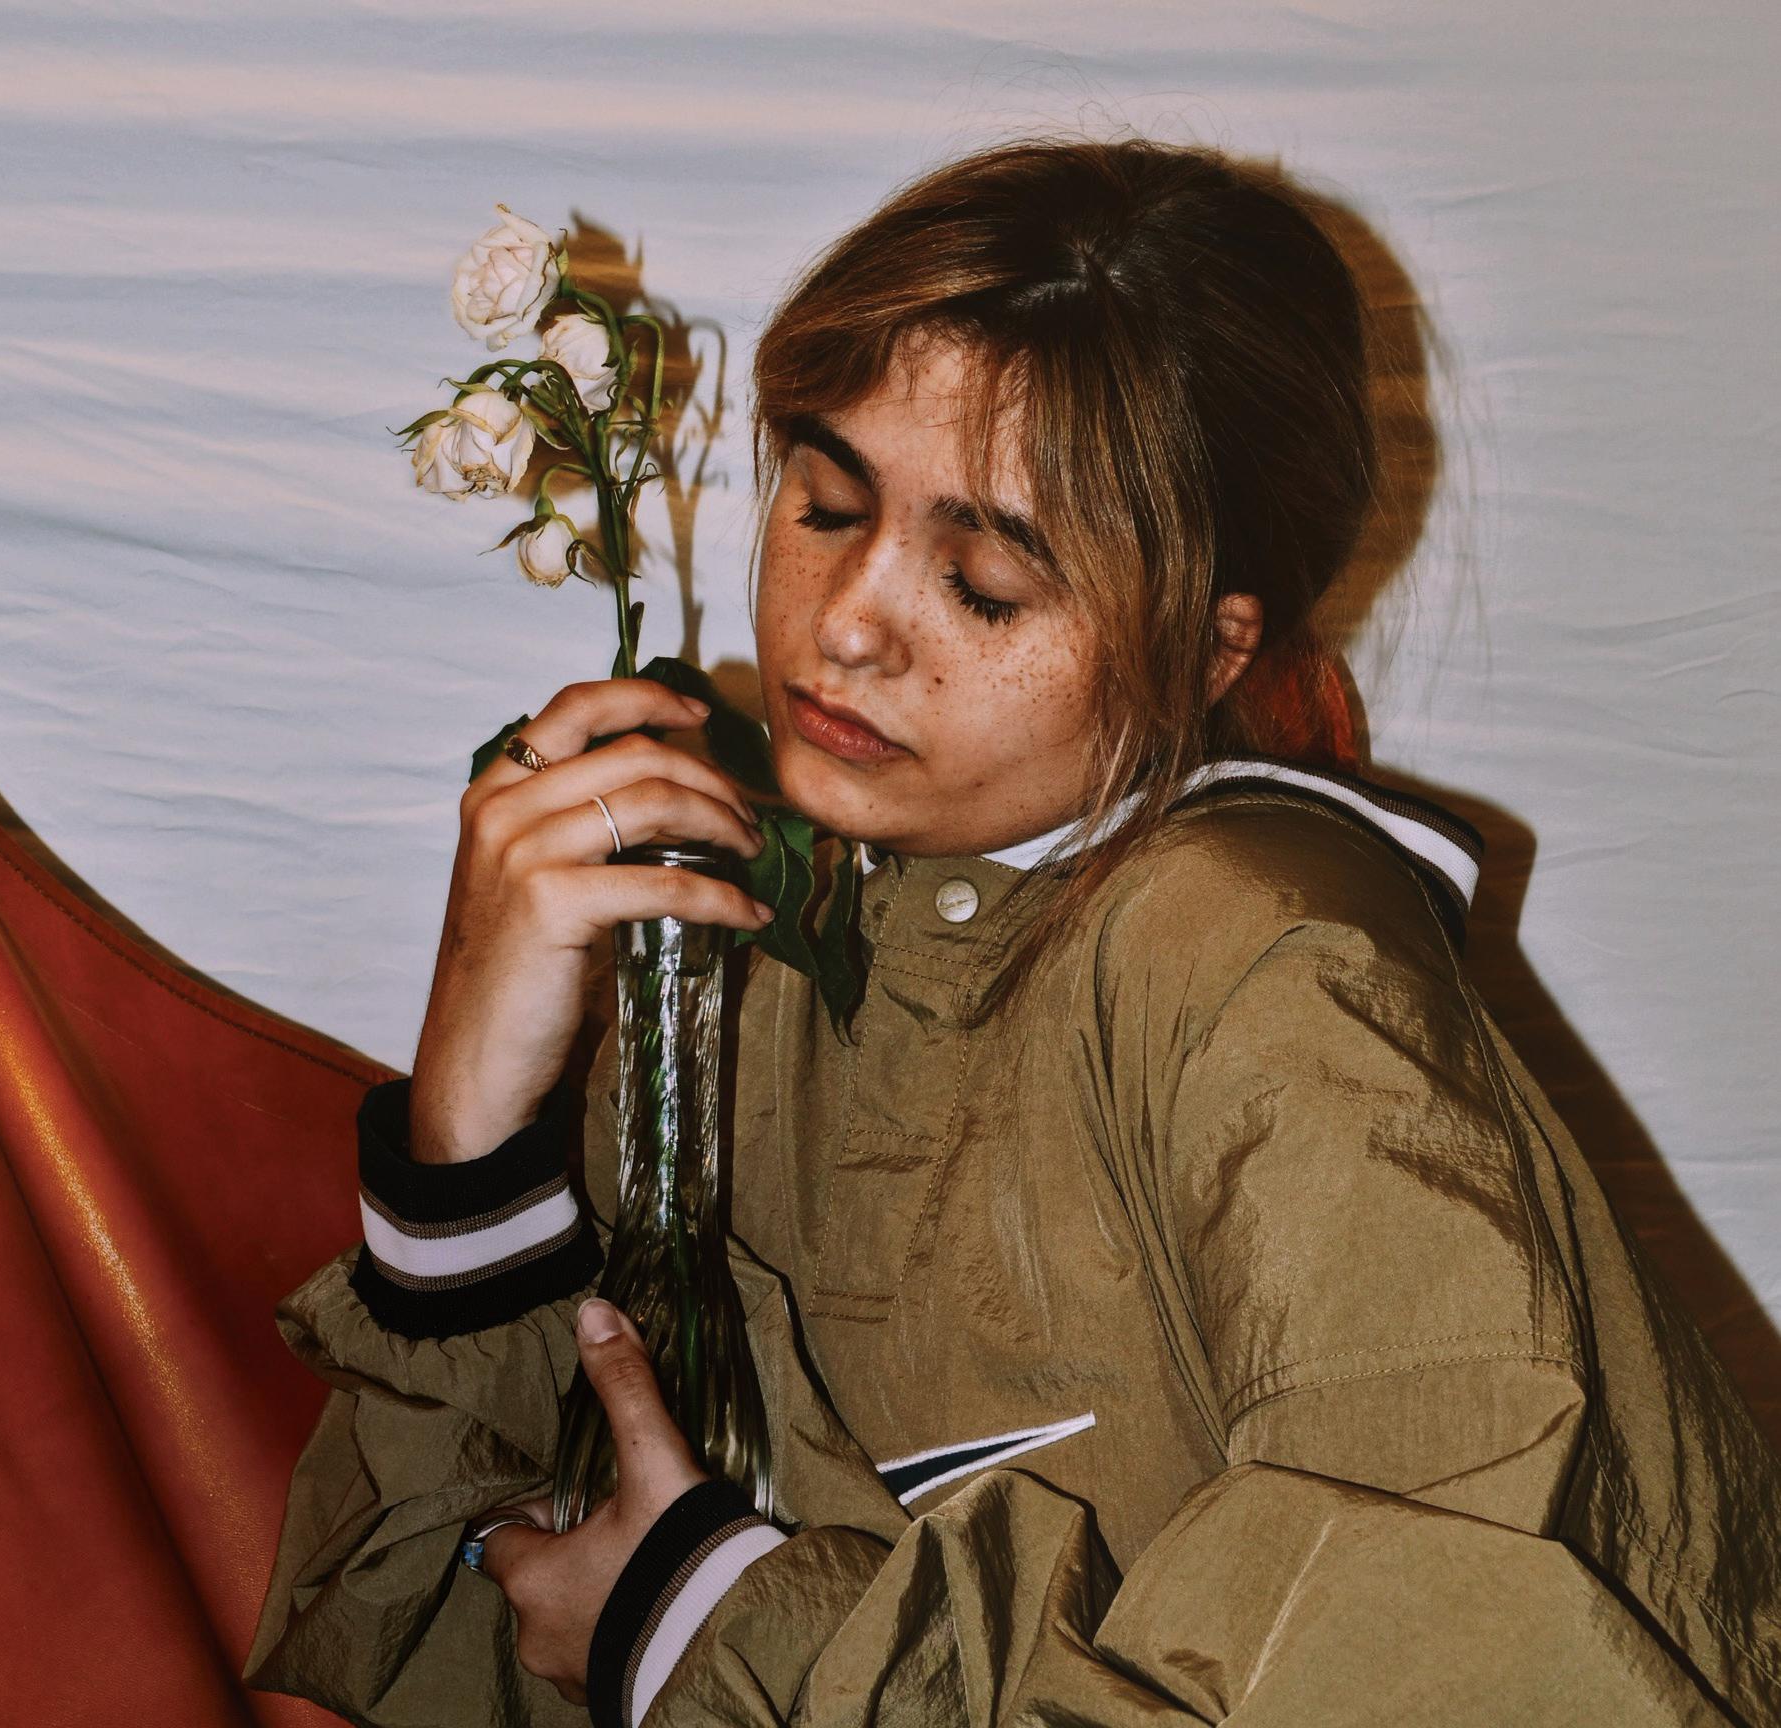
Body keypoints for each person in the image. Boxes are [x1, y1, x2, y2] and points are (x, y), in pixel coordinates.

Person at [245, 137, 1780, 1728]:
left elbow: (1447, 1682)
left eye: (982, 584)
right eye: (826, 504)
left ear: (1209, 648)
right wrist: (469, 1146)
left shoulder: (1269, 978)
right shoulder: (768, 916)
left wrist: (717, 1627)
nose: (848, 624)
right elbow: (464, 1627)